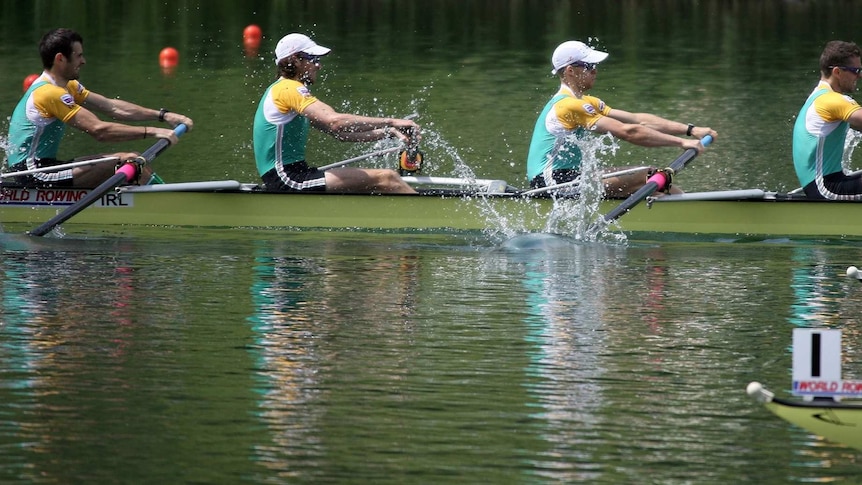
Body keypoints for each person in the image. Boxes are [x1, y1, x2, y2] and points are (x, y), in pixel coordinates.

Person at [5, 28, 194, 188]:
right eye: (78, 56)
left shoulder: (66, 86)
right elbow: (99, 131)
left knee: (133, 158)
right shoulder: (48, 93)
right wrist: (153, 132)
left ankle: (158, 197)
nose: (83, 61)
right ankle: (169, 201)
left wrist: (162, 115)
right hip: (33, 173)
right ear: (60, 59)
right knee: (128, 161)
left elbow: (111, 107)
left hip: (46, 166)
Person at [527, 40, 717, 197]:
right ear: (570, 71)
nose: (595, 71)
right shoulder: (568, 105)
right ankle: (690, 211)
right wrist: (682, 143)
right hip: (550, 183)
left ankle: (686, 206)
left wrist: (691, 130)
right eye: (589, 66)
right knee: (649, 175)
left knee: (654, 184)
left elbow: (636, 119)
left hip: (572, 176)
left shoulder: (586, 102)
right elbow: (628, 132)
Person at [253, 33, 419, 194]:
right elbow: (335, 121)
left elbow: (341, 133)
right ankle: (423, 218)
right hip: (286, 178)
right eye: (314, 59)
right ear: (296, 59)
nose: (319, 65)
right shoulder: (288, 89)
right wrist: (391, 122)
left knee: (379, 183)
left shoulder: (283, 90)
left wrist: (388, 133)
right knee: (388, 178)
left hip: (294, 174)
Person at [792, 40, 862, 200]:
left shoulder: (816, 97)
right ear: (837, 72)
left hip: (825, 183)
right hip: (826, 187)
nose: (859, 75)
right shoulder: (831, 101)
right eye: (856, 70)